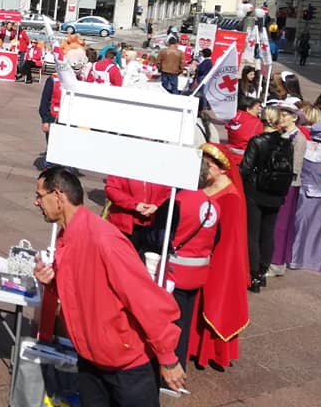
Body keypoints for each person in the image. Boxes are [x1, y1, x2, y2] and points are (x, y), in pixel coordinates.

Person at [33, 167, 185, 403]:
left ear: (59, 196)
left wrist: (167, 356)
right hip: (90, 360)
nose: (36, 202)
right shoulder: (69, 236)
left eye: (40, 196)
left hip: (127, 367)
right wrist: (52, 282)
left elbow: (144, 299)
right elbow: (81, 291)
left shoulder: (104, 240)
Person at [153, 148, 222, 371]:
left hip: (174, 271)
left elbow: (159, 236)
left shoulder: (178, 202)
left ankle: (168, 371)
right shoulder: (214, 205)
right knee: (184, 323)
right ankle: (179, 365)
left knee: (168, 323)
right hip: (199, 272)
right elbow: (216, 237)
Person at [188, 143, 249, 371]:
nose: (204, 167)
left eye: (209, 164)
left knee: (212, 301)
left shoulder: (231, 196)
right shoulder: (205, 185)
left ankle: (210, 352)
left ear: (223, 168)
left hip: (216, 257)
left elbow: (229, 239)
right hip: (199, 251)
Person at [239, 104, 295, 292]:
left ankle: (254, 274)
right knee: (268, 233)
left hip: (255, 191)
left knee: (253, 234)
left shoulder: (257, 141)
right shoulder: (287, 142)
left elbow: (246, 169)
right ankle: (262, 272)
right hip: (276, 192)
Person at [267, 100, 307, 277]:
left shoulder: (298, 138)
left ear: (294, 118)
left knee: (281, 225)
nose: (280, 118)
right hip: (278, 183)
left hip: (288, 186)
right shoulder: (282, 134)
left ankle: (277, 263)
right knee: (275, 223)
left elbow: (295, 168)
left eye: (284, 115)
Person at [289, 123, 321, 272]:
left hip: (301, 191)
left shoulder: (303, 147)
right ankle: (311, 260)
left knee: (298, 225)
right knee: (316, 229)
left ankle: (293, 258)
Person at [104, 176, 169, 254]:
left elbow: (169, 191)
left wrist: (157, 205)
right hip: (124, 224)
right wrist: (134, 204)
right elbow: (111, 189)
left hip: (152, 226)